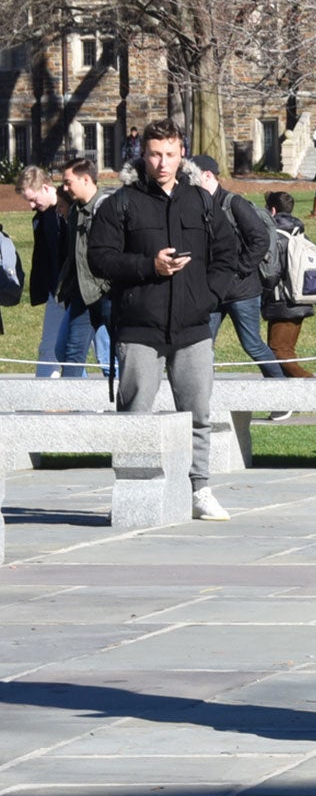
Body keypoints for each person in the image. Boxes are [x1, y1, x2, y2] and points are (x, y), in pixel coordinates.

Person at [87, 119, 242, 523]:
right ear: (143, 154)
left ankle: (199, 489)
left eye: (170, 154)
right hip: (140, 325)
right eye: (155, 154)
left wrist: (209, 296)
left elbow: (229, 252)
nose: (162, 162)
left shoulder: (201, 201)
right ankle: (133, 488)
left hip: (193, 327)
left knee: (198, 414)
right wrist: (148, 266)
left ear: (181, 155)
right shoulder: (121, 202)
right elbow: (99, 258)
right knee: (135, 412)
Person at [190, 155, 284, 379]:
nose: (187, 183)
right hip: (212, 291)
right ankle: (202, 401)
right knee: (202, 347)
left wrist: (240, 269)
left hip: (241, 291)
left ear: (207, 175)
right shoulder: (196, 206)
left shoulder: (234, 203)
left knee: (253, 345)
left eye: (191, 177)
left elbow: (260, 239)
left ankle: (282, 392)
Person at [17, 167, 90, 377]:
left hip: (80, 291)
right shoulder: (41, 217)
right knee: (50, 348)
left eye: (33, 199)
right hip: (56, 291)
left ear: (46, 187)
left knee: (97, 349)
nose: (31, 206)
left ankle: (115, 399)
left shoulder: (69, 209)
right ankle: (43, 397)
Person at [59, 155, 115, 376]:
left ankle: (128, 406)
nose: (64, 188)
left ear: (85, 180)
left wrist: (108, 286)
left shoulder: (108, 208)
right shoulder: (74, 211)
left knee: (121, 351)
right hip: (82, 294)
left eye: (67, 182)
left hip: (109, 294)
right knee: (72, 355)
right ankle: (73, 407)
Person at [260, 191, 316, 377]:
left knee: (280, 352)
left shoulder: (274, 236)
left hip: (282, 302)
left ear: (273, 210)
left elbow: (271, 271)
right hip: (303, 297)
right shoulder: (300, 233)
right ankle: (286, 399)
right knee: (285, 350)